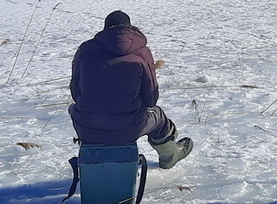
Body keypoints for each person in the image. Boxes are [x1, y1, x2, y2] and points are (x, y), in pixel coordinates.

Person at [68, 10, 193, 169]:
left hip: (87, 125)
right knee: (158, 117)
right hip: (129, 127)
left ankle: (94, 163)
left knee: (86, 113)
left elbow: (76, 92)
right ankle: (169, 155)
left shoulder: (86, 49)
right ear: (130, 29)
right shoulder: (142, 52)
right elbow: (151, 99)